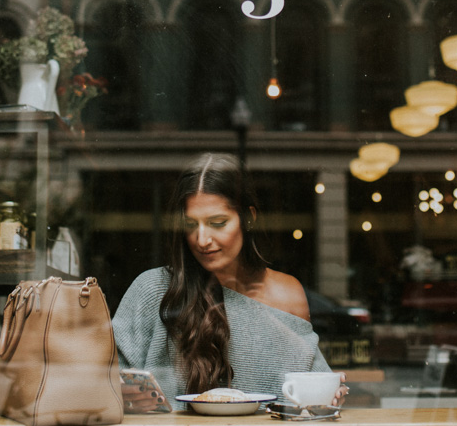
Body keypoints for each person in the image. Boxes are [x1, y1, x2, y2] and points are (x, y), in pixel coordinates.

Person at [112, 153, 347, 411]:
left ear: (249, 218)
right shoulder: (153, 289)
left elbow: (305, 394)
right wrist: (121, 395)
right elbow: (101, 380)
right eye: (191, 224)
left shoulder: (287, 293)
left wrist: (327, 397)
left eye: (217, 223)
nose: (202, 239)